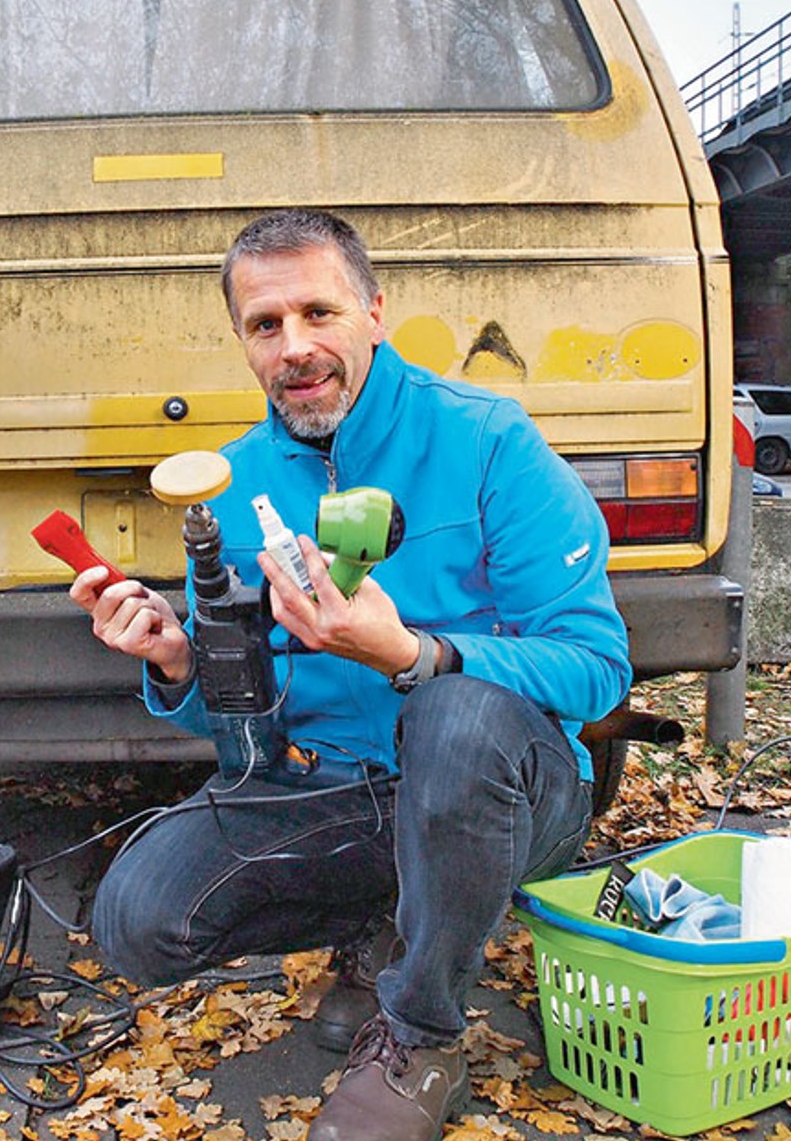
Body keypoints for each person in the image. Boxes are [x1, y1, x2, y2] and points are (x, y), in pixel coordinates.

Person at [68, 209, 631, 1141]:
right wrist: (175, 658)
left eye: (318, 312)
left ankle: (421, 1033)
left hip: (513, 787)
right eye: (265, 325)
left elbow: (599, 669)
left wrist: (415, 654)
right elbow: (243, 718)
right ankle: (396, 925)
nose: (295, 346)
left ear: (374, 312)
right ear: (243, 342)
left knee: (454, 718)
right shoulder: (238, 485)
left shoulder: (488, 440)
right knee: (139, 918)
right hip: (339, 786)